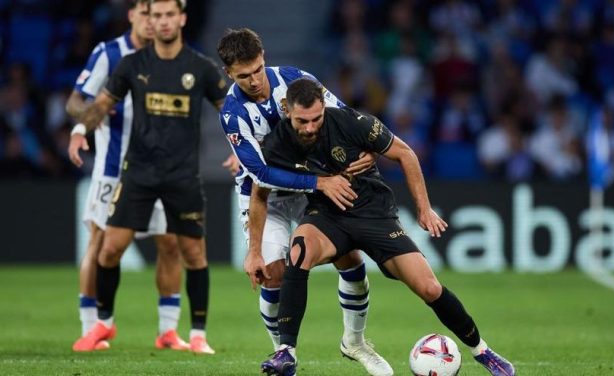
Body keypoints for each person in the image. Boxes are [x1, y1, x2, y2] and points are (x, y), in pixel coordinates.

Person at [250, 78, 516, 376]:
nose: (311, 127)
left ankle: (482, 351)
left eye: (316, 119)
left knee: (428, 287)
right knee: (299, 251)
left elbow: (406, 154)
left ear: (323, 108)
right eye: (303, 121)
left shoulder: (351, 122)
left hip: (374, 213)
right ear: (288, 112)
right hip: (327, 216)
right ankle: (286, 352)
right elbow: (259, 193)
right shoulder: (277, 145)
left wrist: (424, 208)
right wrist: (254, 251)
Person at [217, 28, 393, 376]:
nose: (254, 80)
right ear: (228, 74)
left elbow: (341, 117)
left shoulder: (296, 80)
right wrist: (321, 181)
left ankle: (355, 342)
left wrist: (368, 147)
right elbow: (262, 176)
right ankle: (283, 355)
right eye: (243, 75)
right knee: (273, 274)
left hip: (315, 189)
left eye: (257, 69)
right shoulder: (232, 113)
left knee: (351, 257)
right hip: (267, 198)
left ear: (263, 56)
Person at [68, 0, 227, 354]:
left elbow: (228, 110)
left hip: (182, 176)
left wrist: (239, 149)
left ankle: (194, 334)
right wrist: (81, 128)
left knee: (189, 252)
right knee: (108, 250)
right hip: (137, 173)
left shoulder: (200, 67)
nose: (164, 21)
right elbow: (101, 105)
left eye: (171, 14)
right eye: (157, 15)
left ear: (183, 18)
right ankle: (103, 325)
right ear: (149, 20)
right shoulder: (130, 63)